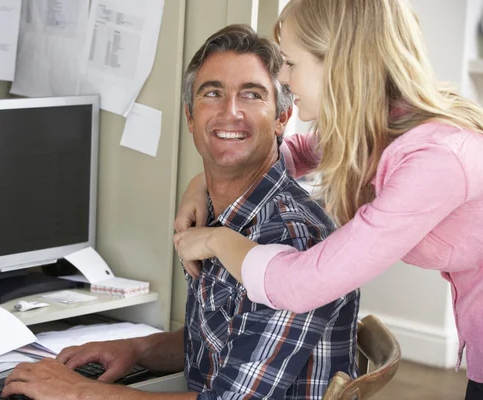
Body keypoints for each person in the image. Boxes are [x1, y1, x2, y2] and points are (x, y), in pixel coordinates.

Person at [1, 24, 359, 400]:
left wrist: (77, 392)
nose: (229, 112)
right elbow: (219, 342)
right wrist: (138, 349)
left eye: (251, 95)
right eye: (213, 93)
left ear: (282, 119)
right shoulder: (210, 215)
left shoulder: (291, 237)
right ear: (190, 117)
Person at [173, 0, 483, 398]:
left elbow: (301, 284)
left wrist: (217, 239)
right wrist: (201, 181)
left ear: (338, 63)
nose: (283, 78)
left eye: (290, 62)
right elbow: (296, 151)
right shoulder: (380, 124)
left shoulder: (433, 161)